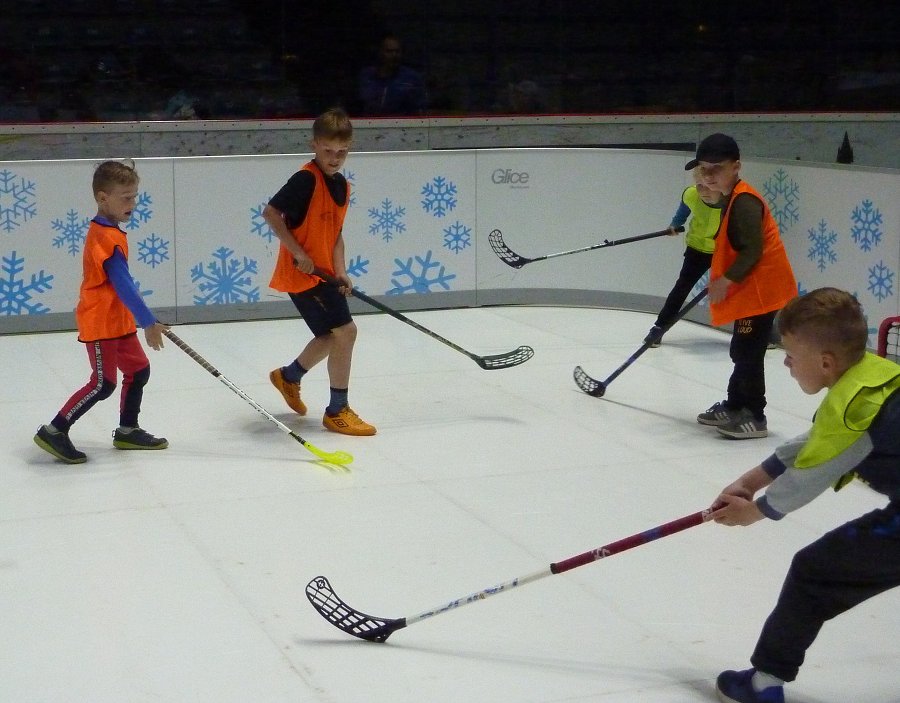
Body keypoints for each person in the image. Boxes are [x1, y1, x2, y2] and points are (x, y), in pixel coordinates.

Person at [709, 287, 900, 703]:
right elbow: (818, 440)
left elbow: (808, 477)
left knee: (813, 573)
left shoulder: (852, 414)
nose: (787, 363)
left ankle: (763, 683)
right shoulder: (873, 375)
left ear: (826, 363)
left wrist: (753, 512)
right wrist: (751, 479)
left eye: (791, 355)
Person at [33, 160, 169, 464]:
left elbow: (124, 288)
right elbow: (123, 284)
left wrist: (143, 317)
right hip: (100, 321)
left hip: (117, 319)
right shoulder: (104, 238)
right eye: (125, 196)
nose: (131, 203)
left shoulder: (113, 232)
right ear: (102, 197)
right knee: (102, 383)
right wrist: (147, 321)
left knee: (138, 370)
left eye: (134, 196)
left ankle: (127, 430)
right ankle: (54, 430)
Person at [264, 107, 375, 437]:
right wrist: (298, 253)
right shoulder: (306, 179)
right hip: (303, 274)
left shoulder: (342, 186)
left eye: (342, 152)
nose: (335, 158)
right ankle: (337, 410)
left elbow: (336, 234)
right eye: (328, 150)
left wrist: (340, 271)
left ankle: (289, 376)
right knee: (347, 331)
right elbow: (271, 213)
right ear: (314, 145)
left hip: (324, 273)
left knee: (330, 336)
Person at [691, 133, 797, 439]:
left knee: (748, 351)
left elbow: (753, 250)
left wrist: (726, 280)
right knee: (743, 349)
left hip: (761, 290)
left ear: (736, 166)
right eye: (703, 168)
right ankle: (735, 404)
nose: (708, 175)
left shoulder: (745, 202)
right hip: (753, 288)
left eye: (716, 168)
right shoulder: (732, 196)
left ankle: (755, 415)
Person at [643, 167, 723, 347]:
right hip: (697, 248)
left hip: (723, 252)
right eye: (699, 185)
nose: (703, 191)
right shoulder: (691, 195)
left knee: (741, 289)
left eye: (708, 186)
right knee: (682, 286)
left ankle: (752, 334)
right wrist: (675, 224)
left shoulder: (731, 201)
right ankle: (659, 327)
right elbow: (683, 212)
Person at [358, 34, 426, 116]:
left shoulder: (412, 79)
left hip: (403, 126)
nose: (394, 55)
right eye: (389, 51)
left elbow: (420, 110)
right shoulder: (366, 76)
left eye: (397, 51)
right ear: (380, 52)